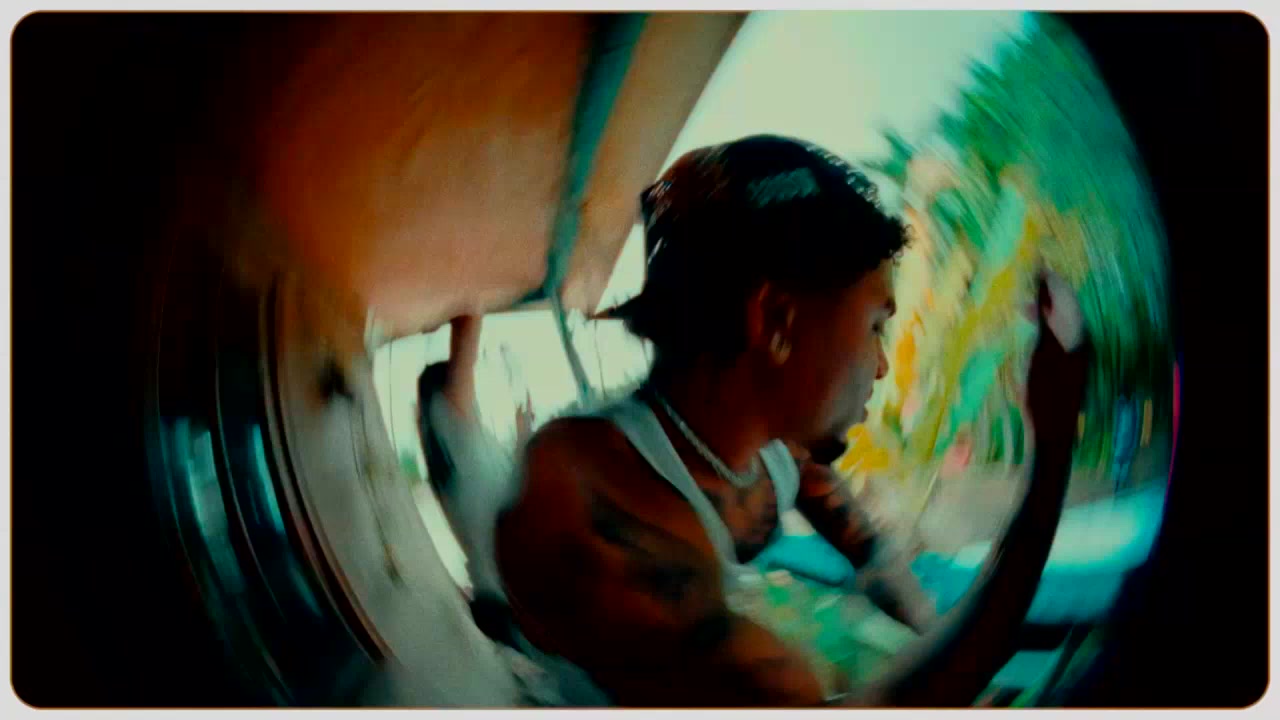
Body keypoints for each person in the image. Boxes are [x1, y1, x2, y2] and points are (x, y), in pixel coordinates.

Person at [495, 135, 1089, 707]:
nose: (884, 365)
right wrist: (1052, 454)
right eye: (875, 326)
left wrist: (936, 638)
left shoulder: (774, 448)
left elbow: (871, 554)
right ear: (776, 320)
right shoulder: (583, 501)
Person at [416, 315, 523, 644]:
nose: (472, 389)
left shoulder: (463, 448)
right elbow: (469, 323)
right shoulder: (454, 426)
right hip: (511, 595)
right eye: (464, 383)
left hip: (500, 594)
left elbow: (496, 491)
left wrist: (522, 435)